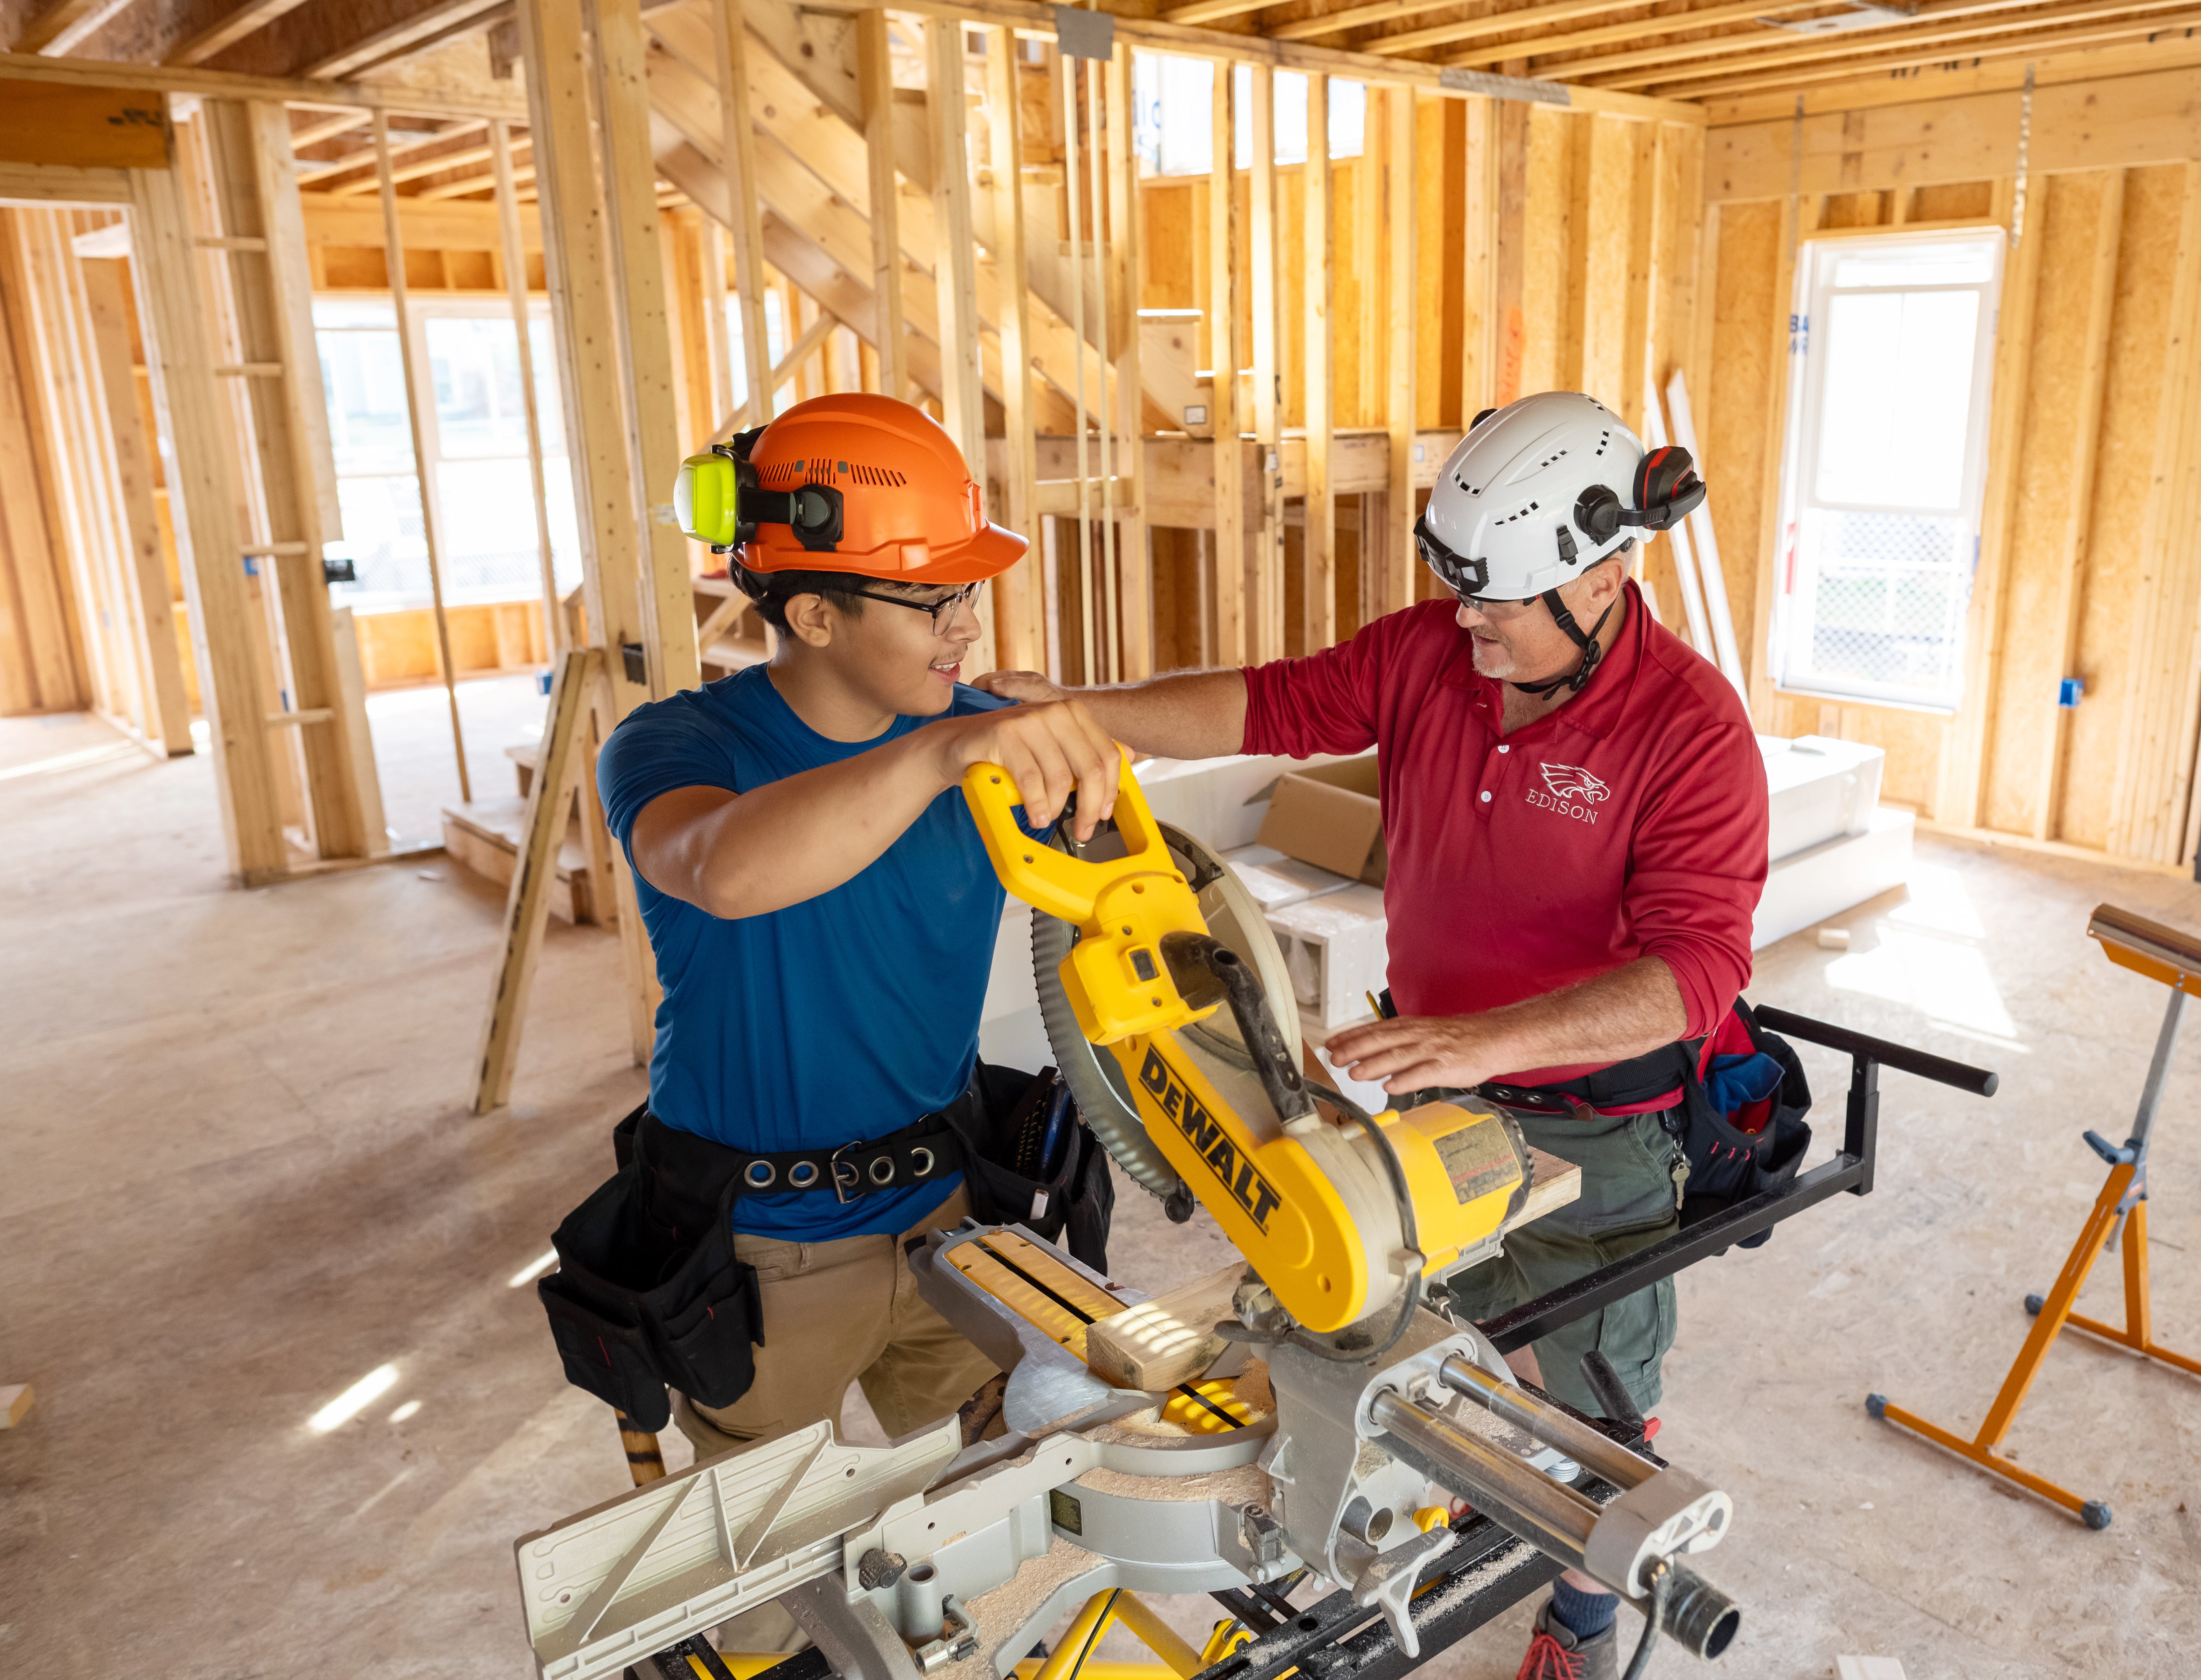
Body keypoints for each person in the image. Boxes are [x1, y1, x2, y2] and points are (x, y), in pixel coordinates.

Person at [974, 390, 1767, 1680]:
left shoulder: (1693, 732)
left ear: (1609, 572)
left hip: (1599, 1127)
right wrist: (1084, 712)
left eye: (1498, 603)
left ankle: (1582, 1607)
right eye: (1460, 594)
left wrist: (1480, 1043)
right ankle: (1414, 1527)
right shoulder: (1432, 656)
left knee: (1595, 1406)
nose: (1468, 625)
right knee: (1393, 1346)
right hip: (1429, 1084)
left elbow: (1695, 972)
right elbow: (1267, 703)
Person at [594, 392, 1124, 1501]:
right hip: (759, 1253)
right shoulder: (681, 742)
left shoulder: (971, 735)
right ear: (817, 616)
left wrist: (1078, 748)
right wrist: (946, 750)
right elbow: (723, 870)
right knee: (765, 1594)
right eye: (932, 601)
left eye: (969, 592)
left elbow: (1124, 893)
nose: (966, 627)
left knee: (992, 1530)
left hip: (943, 1218)